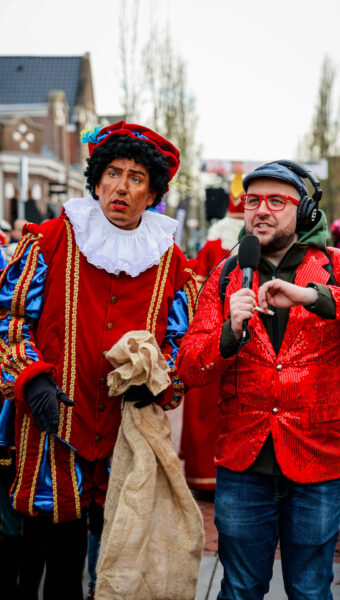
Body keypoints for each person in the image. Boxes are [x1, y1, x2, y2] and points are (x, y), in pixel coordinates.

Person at [176, 160, 340, 600]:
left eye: (277, 201)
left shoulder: (337, 265)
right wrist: (229, 333)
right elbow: (188, 367)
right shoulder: (225, 274)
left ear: (304, 212)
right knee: (240, 589)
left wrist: (315, 297)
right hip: (243, 465)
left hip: (319, 463)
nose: (261, 210)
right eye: (253, 200)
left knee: (310, 589)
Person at [0, 120, 196, 600]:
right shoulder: (50, 240)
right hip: (52, 426)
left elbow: (182, 343)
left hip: (126, 435)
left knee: (118, 559)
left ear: (152, 193)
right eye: (113, 173)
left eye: (136, 178)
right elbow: (10, 319)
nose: (121, 187)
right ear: (97, 180)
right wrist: (31, 378)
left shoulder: (171, 263)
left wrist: (156, 378)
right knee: (47, 561)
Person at [180, 172, 244, 493]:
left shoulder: (211, 245)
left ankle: (204, 474)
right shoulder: (256, 244)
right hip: (237, 334)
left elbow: (194, 297)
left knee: (207, 407)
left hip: (212, 332)